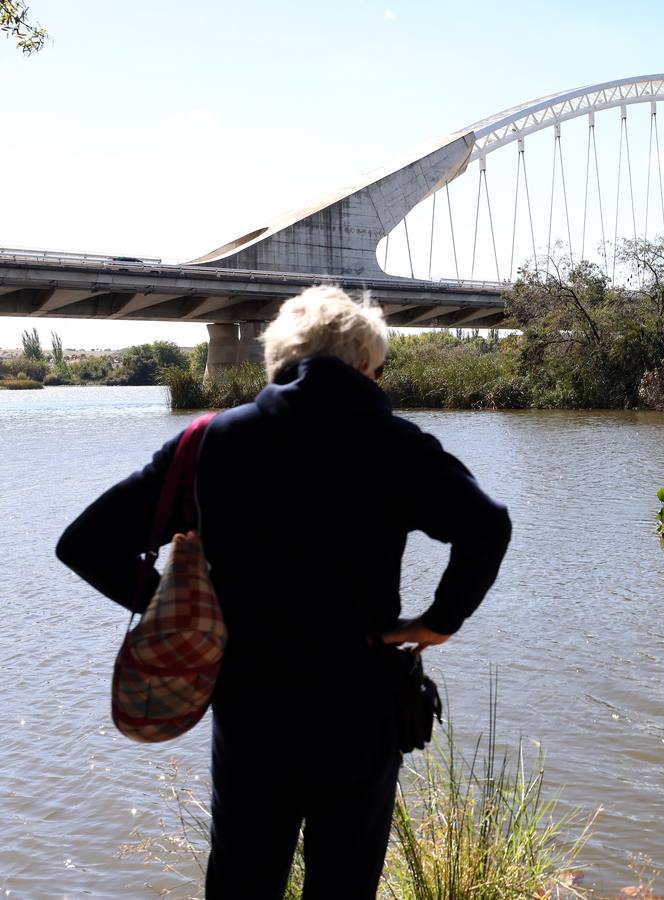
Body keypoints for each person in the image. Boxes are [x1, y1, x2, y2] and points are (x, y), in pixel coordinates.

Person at [56, 285, 512, 899]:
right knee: (343, 884)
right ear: (362, 367)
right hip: (358, 704)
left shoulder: (209, 442)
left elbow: (84, 544)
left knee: (242, 879)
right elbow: (488, 525)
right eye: (379, 372)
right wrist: (438, 622)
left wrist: (171, 601)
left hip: (249, 705)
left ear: (282, 361)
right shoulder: (397, 444)